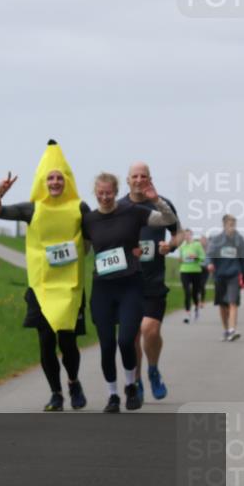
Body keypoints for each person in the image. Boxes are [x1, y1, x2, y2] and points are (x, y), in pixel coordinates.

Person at [0, 140, 89, 412]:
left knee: (67, 342)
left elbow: (100, 231)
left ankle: (73, 381)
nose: (55, 182)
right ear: (42, 181)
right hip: (41, 287)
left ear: (67, 180)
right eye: (50, 178)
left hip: (70, 288)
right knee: (46, 343)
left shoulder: (80, 208)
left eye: (59, 177)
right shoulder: (32, 208)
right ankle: (56, 393)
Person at [82, 172, 176, 413]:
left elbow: (168, 220)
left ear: (116, 192)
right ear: (95, 193)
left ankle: (131, 386)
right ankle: (113, 395)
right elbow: (82, 250)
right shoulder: (89, 220)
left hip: (130, 286)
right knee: (106, 345)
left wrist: (156, 200)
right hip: (102, 288)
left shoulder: (132, 212)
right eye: (100, 193)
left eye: (109, 193)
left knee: (126, 341)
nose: (105, 197)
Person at [118, 163, 180, 402]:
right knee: (133, 335)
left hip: (153, 280)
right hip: (127, 282)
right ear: (128, 180)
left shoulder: (161, 204)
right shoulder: (119, 207)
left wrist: (170, 246)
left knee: (150, 330)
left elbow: (179, 234)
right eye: (134, 176)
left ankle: (153, 369)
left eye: (143, 176)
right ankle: (136, 379)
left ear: (150, 179)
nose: (139, 179)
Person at [206, 214, 244, 341]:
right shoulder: (216, 239)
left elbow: (243, 259)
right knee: (222, 305)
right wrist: (209, 264)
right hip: (220, 275)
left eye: (234, 224)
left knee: (233, 302)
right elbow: (209, 255)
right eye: (230, 224)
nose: (232, 227)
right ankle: (226, 330)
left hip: (234, 275)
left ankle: (232, 330)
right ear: (224, 225)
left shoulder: (239, 239)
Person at [178, 228, 208, 323]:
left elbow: (203, 257)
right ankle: (187, 314)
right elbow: (180, 258)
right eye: (185, 235)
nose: (186, 236)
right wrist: (180, 260)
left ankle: (196, 308)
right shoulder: (182, 246)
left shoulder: (197, 245)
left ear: (191, 235)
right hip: (184, 271)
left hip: (196, 271)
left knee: (195, 293)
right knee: (187, 292)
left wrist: (196, 257)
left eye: (188, 234)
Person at [199, 233, 212, 304]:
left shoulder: (209, 250)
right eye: (202, 240)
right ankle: (197, 299)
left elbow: (211, 259)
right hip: (198, 268)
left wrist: (210, 265)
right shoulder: (197, 248)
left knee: (202, 284)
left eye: (204, 240)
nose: (203, 241)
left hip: (206, 269)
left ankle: (202, 300)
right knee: (197, 285)